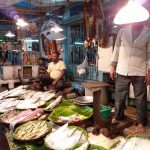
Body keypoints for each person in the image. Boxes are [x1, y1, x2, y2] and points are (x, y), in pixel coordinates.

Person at [110, 22, 150, 134]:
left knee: (141, 99)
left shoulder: (148, 32)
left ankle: (141, 122)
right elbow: (116, 49)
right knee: (119, 96)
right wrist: (112, 65)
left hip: (140, 70)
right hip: (122, 69)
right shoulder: (122, 31)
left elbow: (149, 53)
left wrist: (149, 71)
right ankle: (117, 117)